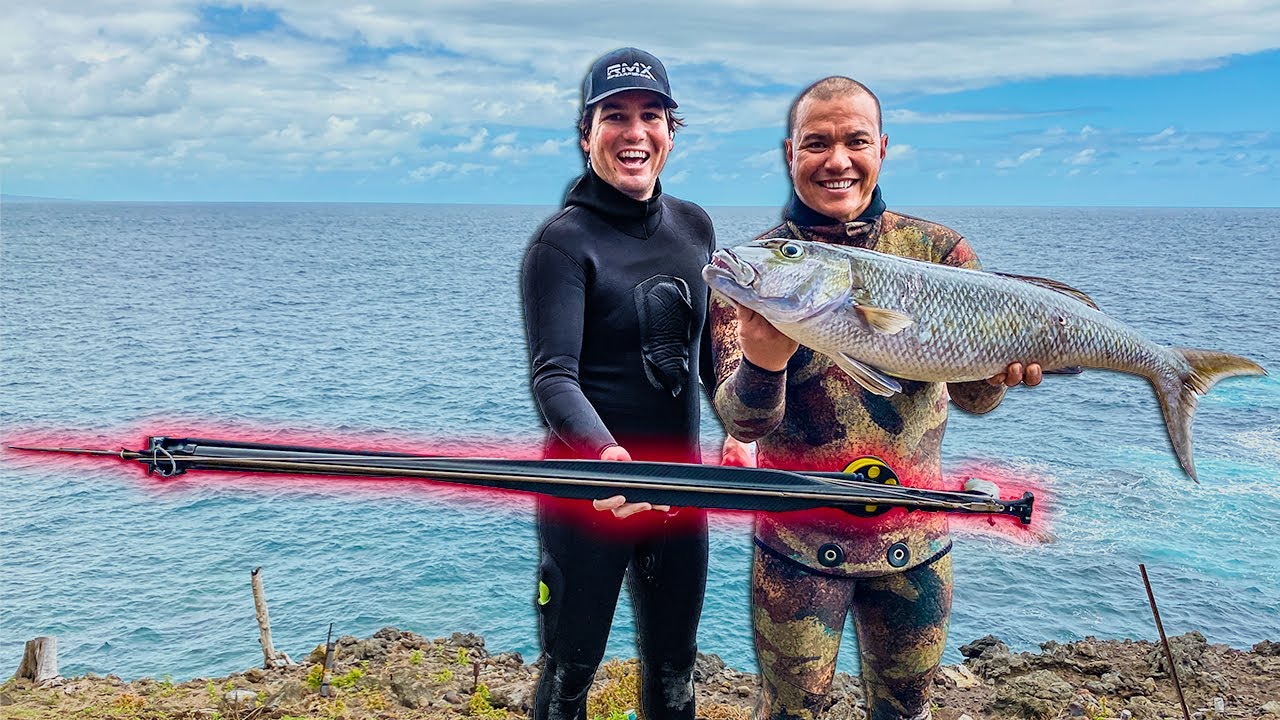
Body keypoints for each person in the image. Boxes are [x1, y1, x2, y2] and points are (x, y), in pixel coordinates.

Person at [709, 76, 1041, 720]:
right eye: (817, 143)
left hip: (915, 538)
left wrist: (1002, 372)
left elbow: (975, 400)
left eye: (856, 141)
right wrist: (763, 363)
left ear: (882, 148)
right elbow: (743, 423)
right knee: (789, 714)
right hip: (796, 546)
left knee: (906, 712)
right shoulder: (755, 269)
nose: (837, 160)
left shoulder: (939, 252)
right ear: (790, 153)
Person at [520, 47, 717, 720]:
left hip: (680, 494)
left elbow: (710, 357)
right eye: (615, 117)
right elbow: (554, 377)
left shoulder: (695, 226)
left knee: (675, 677)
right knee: (570, 676)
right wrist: (608, 458)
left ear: (670, 132)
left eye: (651, 116)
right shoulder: (561, 245)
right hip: (589, 496)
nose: (635, 132)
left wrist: (743, 430)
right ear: (587, 134)